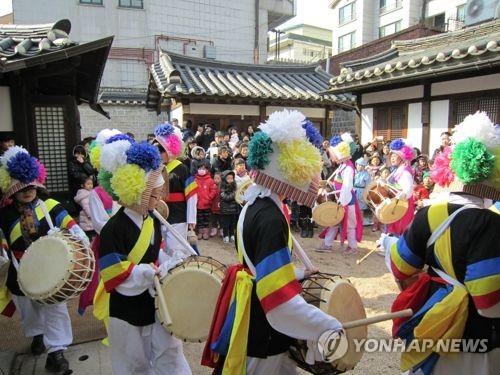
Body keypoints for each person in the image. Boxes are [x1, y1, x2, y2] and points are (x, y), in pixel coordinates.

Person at [202, 110, 342, 374]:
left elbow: (260, 266)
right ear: (288, 169)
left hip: (255, 312)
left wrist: (298, 273)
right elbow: (278, 298)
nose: (313, 177)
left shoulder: (256, 204)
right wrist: (325, 324)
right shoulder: (270, 217)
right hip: (264, 328)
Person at [380, 111, 499, 375]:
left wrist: (387, 244)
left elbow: (401, 267)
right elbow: (488, 301)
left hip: (433, 322)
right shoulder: (491, 223)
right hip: (476, 341)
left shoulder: (429, 214)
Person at [93, 132, 191, 375]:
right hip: (126, 308)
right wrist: (147, 272)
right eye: (154, 192)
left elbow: (155, 253)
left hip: (155, 299)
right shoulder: (112, 229)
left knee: (169, 352)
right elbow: (113, 272)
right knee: (133, 363)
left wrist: (172, 261)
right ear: (137, 191)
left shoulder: (153, 218)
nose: (159, 195)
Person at [0, 146, 89, 373]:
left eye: (32, 186)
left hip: (53, 271)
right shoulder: (5, 214)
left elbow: (72, 226)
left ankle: (56, 353)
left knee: (56, 311)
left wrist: (80, 239)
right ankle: (38, 337)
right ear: (12, 189)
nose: (29, 191)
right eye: (23, 187)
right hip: (21, 273)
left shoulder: (49, 205)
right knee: (30, 313)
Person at [153, 123, 198, 257]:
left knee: (177, 250)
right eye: (157, 150)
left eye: (161, 149)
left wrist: (191, 219)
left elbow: (191, 195)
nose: (159, 153)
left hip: (178, 215)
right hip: (157, 214)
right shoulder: (154, 168)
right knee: (160, 250)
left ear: (169, 150)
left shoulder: (181, 168)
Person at [316, 133, 363, 255]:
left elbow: (347, 187)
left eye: (333, 154)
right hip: (339, 200)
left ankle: (353, 247)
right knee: (334, 222)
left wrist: (341, 202)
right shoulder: (343, 166)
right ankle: (327, 244)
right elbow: (337, 183)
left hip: (346, 201)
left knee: (350, 225)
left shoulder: (348, 168)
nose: (332, 157)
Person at [385, 138, 416, 235]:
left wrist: (399, 197)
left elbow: (408, 190)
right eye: (391, 156)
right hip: (397, 203)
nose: (392, 158)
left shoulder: (405, 172)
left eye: (395, 156)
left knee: (401, 229)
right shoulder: (398, 170)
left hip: (403, 205)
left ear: (402, 157)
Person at [194, 160, 217, 240]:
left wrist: (209, 198)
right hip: (198, 204)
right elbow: (192, 191)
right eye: (200, 168)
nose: (201, 170)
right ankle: (200, 232)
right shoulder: (195, 180)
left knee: (206, 219)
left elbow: (214, 190)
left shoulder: (210, 180)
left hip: (207, 204)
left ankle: (206, 232)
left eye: (203, 168)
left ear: (207, 170)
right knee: (199, 219)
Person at [74, 176, 96, 240]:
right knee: (90, 235)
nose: (90, 186)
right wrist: (92, 215)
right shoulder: (84, 194)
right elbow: (86, 206)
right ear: (82, 185)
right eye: (88, 184)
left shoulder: (90, 192)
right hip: (88, 218)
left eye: (91, 184)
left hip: (89, 217)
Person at [219, 170, 238, 243]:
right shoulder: (222, 188)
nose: (230, 180)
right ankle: (226, 235)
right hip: (225, 210)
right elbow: (226, 198)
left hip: (233, 209)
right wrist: (234, 194)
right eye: (228, 178)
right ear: (224, 179)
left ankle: (232, 234)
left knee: (232, 222)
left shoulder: (234, 186)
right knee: (225, 223)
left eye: (231, 178)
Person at [353, 158, 371, 225]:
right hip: (353, 190)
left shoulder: (366, 174)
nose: (360, 166)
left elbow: (368, 185)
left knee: (361, 208)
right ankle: (354, 221)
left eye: (362, 165)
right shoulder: (353, 172)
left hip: (362, 191)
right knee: (353, 207)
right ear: (356, 165)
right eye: (359, 165)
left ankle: (360, 221)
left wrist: (366, 194)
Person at [210, 172, 222, 238]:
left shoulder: (222, 187)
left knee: (221, 218)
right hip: (213, 205)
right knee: (213, 218)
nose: (216, 180)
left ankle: (221, 229)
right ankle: (214, 229)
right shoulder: (212, 185)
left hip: (220, 205)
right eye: (215, 178)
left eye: (218, 178)